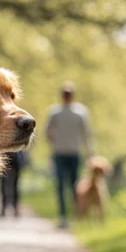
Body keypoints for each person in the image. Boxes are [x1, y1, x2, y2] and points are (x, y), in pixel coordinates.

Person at [45, 82, 93, 229]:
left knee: (75, 187)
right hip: (59, 153)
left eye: (69, 93)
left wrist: (90, 152)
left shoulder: (81, 112)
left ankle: (76, 215)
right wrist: (52, 138)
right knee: (60, 185)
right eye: (65, 93)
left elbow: (86, 133)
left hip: (74, 153)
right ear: (62, 94)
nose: (67, 95)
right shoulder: (54, 112)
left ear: (73, 94)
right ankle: (63, 216)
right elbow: (47, 132)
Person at [0, 148, 29, 218]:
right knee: (6, 185)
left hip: (14, 160)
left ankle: (13, 208)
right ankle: (5, 208)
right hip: (6, 158)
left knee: (13, 185)